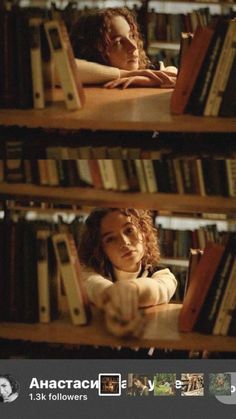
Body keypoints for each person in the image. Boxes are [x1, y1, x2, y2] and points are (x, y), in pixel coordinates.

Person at [79, 208, 177, 337]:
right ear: (100, 248)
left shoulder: (161, 273)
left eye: (129, 230)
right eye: (110, 239)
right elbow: (90, 283)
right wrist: (110, 293)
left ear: (143, 232)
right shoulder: (93, 272)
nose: (124, 242)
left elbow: (161, 287)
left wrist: (132, 289)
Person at [70, 7, 177, 88]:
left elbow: (175, 75)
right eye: (118, 41)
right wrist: (127, 74)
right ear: (94, 50)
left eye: (131, 36)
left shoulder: (150, 69)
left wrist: (149, 80)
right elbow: (64, 69)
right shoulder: (86, 79)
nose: (133, 47)